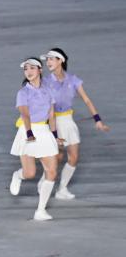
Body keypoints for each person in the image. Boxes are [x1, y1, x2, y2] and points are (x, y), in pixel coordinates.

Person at [42, 48, 110, 200]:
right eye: (47, 60)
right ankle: (44, 181)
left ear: (61, 60)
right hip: (52, 121)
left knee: (73, 157)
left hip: (67, 120)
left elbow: (87, 100)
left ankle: (62, 189)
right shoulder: (45, 82)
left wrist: (98, 120)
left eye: (51, 59)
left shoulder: (73, 80)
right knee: (56, 158)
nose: (48, 62)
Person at [9, 57, 59, 221]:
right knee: (30, 173)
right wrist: (30, 133)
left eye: (32, 68)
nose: (28, 72)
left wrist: (55, 136)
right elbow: (25, 114)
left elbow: (51, 114)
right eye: (26, 69)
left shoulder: (49, 90)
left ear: (40, 70)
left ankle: (40, 210)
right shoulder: (23, 93)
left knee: (52, 172)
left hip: (44, 131)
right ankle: (18, 175)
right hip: (27, 131)